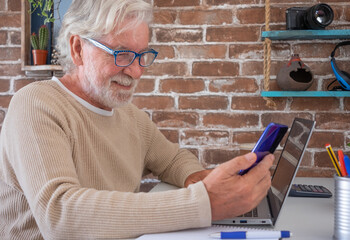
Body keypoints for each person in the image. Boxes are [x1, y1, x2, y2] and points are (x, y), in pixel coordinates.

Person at [0, 0, 273, 239]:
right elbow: (59, 216)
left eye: (142, 55)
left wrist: (204, 181)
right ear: (78, 48)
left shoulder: (131, 117)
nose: (136, 71)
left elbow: (173, 160)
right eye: (122, 54)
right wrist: (203, 202)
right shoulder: (36, 104)